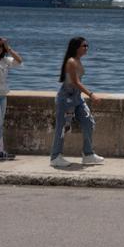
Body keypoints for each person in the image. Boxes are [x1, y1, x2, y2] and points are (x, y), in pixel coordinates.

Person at [51, 36, 103, 169]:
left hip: (77, 98)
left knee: (89, 122)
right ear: (76, 47)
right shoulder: (71, 61)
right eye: (83, 46)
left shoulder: (78, 60)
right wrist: (91, 95)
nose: (86, 48)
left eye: (87, 46)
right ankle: (55, 157)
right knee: (62, 128)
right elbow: (75, 82)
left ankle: (88, 154)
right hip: (66, 99)